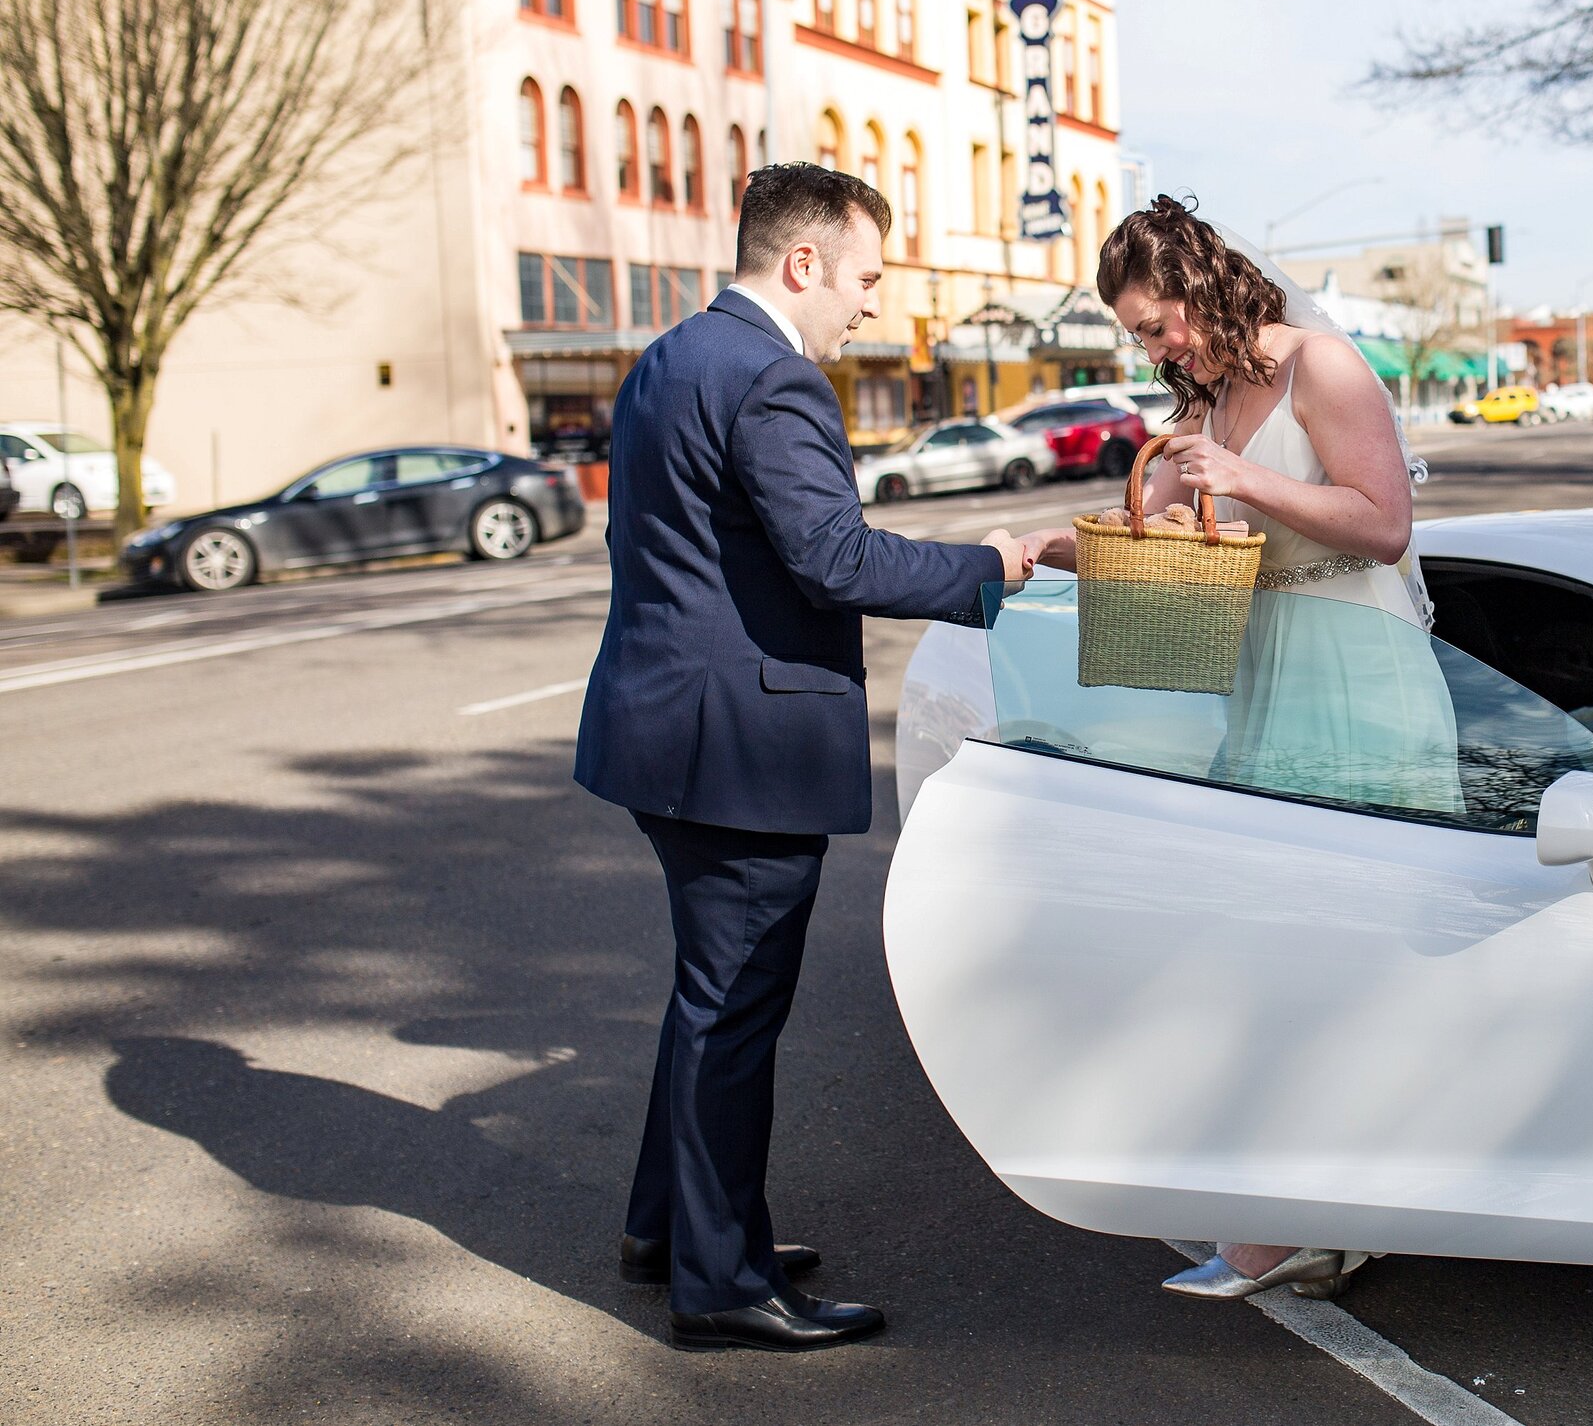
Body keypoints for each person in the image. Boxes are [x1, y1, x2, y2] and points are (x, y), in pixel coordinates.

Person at [576, 163, 1040, 1352]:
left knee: (704, 997)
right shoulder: (774, 376)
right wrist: (991, 563)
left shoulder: (671, 357)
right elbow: (834, 558)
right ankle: (720, 1283)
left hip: (663, 729)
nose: (870, 305)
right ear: (802, 263)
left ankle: (672, 1227)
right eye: (865, 277)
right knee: (733, 1008)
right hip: (739, 750)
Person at [1028, 194, 1458, 1299]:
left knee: (1351, 955)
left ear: (1202, 281)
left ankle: (1330, 1212)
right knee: (1271, 951)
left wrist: (1246, 478)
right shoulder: (1205, 405)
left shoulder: (1323, 367)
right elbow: (1147, 533)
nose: (1156, 347)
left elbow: (1386, 521)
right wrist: (1027, 548)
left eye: (1158, 322)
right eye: (1138, 336)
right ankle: (1293, 1218)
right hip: (1266, 675)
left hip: (1358, 672)